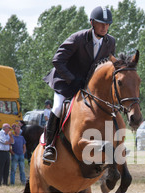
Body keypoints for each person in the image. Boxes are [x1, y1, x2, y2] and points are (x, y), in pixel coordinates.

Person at [42, 6, 115, 165]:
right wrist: (72, 79)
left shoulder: (110, 42)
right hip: (66, 83)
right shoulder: (78, 38)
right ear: (92, 23)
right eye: (101, 23)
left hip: (87, 87)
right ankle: (50, 146)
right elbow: (57, 60)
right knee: (58, 108)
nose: (104, 27)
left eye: (107, 24)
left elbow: (109, 66)